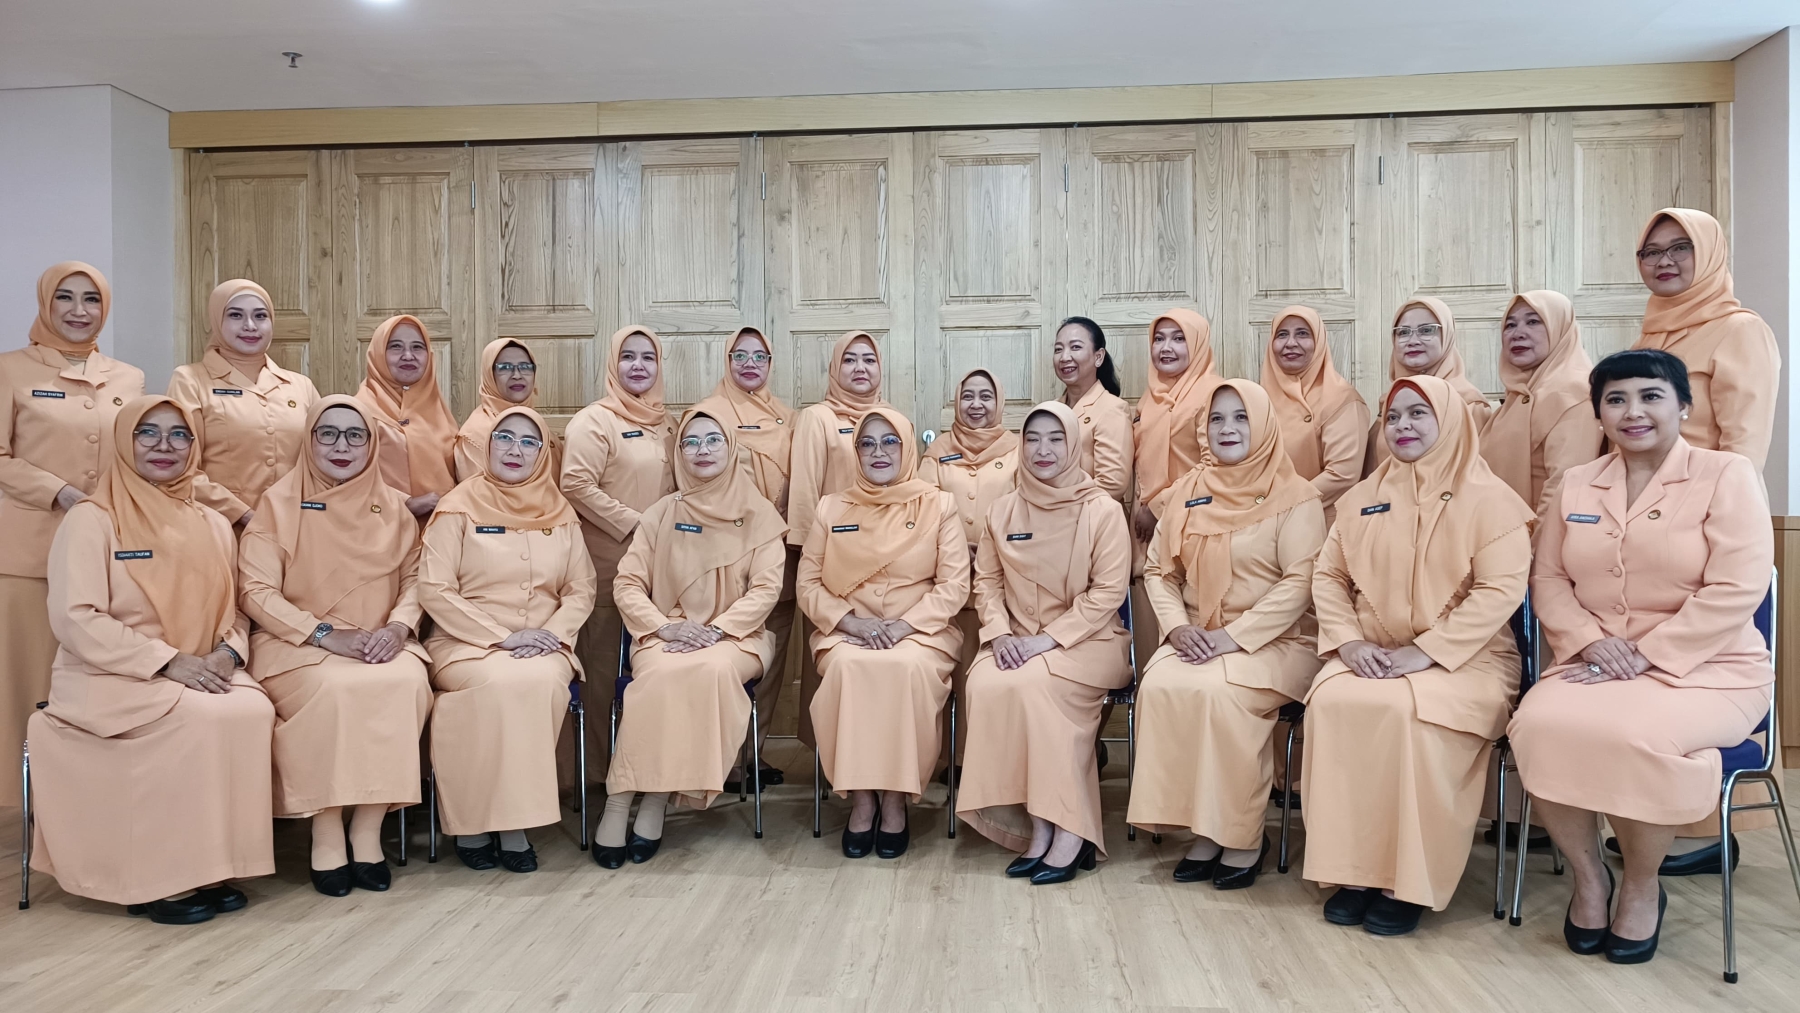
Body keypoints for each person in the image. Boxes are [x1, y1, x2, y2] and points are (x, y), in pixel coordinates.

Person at [1509, 349, 1773, 964]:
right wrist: (1588, 641)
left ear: (1684, 406)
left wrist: (1650, 654)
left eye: (1651, 396)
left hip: (1710, 670)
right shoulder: (1578, 482)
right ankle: (1590, 878)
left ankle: (1640, 883)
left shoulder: (1725, 474)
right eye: (1616, 399)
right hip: (1594, 662)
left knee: (1636, 738)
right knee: (1536, 726)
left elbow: (1738, 587)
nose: (1633, 411)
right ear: (1600, 413)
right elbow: (1548, 579)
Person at [27, 396, 272, 924]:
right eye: (148, 433)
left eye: (179, 434)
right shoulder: (92, 519)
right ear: (124, 442)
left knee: (252, 708)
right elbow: (76, 617)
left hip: (201, 668)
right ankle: (159, 879)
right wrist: (166, 661)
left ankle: (211, 866)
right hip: (111, 674)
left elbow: (236, 608)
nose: (165, 445)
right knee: (196, 718)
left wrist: (228, 652)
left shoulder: (212, 523)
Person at [1303, 375, 1533, 936]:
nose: (1402, 426)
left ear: (1449, 420)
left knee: (1407, 712)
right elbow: (1328, 575)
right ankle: (1352, 870)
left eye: (1418, 413)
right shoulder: (1362, 498)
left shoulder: (1492, 499)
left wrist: (1427, 652)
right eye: (1393, 416)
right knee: (1331, 701)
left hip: (1469, 659)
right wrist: (1348, 641)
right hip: (1370, 651)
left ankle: (1404, 881)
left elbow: (1499, 591)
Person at [1127, 381, 1326, 890]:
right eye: (1216, 419)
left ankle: (1241, 837)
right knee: (1162, 685)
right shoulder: (1188, 491)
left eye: (1241, 417)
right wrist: (1177, 627)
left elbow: (1300, 582)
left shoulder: (1297, 495)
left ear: (1263, 425)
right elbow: (1159, 570)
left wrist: (1233, 637)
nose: (1227, 428)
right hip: (1196, 635)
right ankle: (1202, 830)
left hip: (1277, 641)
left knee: (1220, 694)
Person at [238, 395, 431, 896]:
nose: (341, 446)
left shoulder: (393, 506)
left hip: (379, 641)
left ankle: (366, 831)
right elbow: (255, 591)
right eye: (328, 433)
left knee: (407, 682)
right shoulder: (278, 504)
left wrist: (398, 629)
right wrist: (324, 634)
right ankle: (325, 834)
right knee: (333, 690)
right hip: (297, 642)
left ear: (371, 444)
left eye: (355, 435)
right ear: (309, 439)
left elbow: (416, 579)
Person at [601, 410, 787, 868]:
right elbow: (627, 583)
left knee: (709, 669)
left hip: (736, 637)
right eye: (691, 442)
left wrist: (717, 630)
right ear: (680, 452)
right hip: (665, 632)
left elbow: (766, 590)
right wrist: (664, 627)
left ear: (731, 448)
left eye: (713, 440)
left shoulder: (760, 515)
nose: (702, 450)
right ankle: (619, 800)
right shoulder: (661, 513)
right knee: (660, 676)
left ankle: (654, 799)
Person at [956, 401, 1130, 884]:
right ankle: (1037, 827)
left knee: (1036, 688)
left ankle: (1070, 830)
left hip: (1090, 642)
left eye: (1056, 438)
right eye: (1032, 438)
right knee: (986, 685)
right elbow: (986, 582)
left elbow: (1108, 592)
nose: (1042, 449)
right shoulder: (1003, 509)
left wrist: (1047, 641)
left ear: (1073, 444)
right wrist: (999, 634)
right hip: (1014, 640)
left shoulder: (1102, 510)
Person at [419, 406, 597, 873]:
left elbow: (581, 588)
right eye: (504, 438)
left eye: (529, 441)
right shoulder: (456, 506)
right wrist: (501, 638)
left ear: (542, 453)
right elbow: (435, 589)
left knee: (536, 683)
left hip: (544, 644)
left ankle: (514, 823)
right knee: (495, 685)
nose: (515, 449)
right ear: (488, 446)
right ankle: (472, 823)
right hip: (466, 643)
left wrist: (551, 635)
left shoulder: (561, 512)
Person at [0, 262, 146, 808]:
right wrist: (58, 492)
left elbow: (137, 456)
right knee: (28, 683)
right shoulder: (9, 370)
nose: (79, 311)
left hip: (109, 552)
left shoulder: (128, 378)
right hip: (29, 554)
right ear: (46, 302)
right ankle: (25, 805)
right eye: (66, 297)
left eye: (92, 299)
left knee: (97, 680)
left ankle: (87, 801)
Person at [798, 407, 968, 860]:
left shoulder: (938, 504)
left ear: (907, 448)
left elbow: (954, 585)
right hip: (848, 630)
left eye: (890, 441)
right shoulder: (831, 507)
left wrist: (904, 626)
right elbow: (808, 584)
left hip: (921, 631)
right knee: (847, 668)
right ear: (855, 452)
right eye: (867, 443)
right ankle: (861, 799)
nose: (879, 452)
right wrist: (851, 622)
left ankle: (894, 799)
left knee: (906, 668)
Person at [692, 326, 797, 790]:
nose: (750, 364)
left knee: (768, 658)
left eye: (759, 356)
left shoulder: (788, 417)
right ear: (727, 360)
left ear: (770, 363)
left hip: (779, 549)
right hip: (725, 553)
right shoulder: (709, 413)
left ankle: (753, 751)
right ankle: (722, 761)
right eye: (740, 355)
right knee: (727, 652)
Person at [561, 326, 676, 732]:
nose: (638, 366)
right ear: (613, 363)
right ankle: (597, 766)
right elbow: (574, 484)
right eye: (628, 356)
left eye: (648, 357)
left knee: (653, 667)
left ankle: (644, 762)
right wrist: (637, 523)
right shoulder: (594, 420)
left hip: (661, 566)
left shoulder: (667, 423)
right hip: (610, 564)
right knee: (603, 666)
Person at [787, 330, 896, 749]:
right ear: (835, 368)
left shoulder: (892, 417)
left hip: (888, 560)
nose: (860, 368)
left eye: (869, 360)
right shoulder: (818, 418)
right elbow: (803, 492)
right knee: (832, 655)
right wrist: (807, 557)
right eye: (850, 360)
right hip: (831, 560)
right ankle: (830, 755)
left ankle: (879, 752)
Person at [920, 368, 1019, 773]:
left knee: (991, 672)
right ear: (956, 402)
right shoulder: (937, 451)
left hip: (1003, 579)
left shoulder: (1018, 449)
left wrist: (992, 548)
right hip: (947, 577)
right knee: (952, 672)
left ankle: (990, 764)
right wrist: (956, 547)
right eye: (968, 397)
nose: (976, 405)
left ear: (999, 403)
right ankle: (950, 761)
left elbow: (1028, 506)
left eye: (986, 396)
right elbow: (923, 507)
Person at [1630, 208, 1780, 470]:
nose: (1664, 261)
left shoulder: (1739, 330)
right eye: (1652, 252)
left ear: (1710, 254)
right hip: (1637, 489)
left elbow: (1744, 449)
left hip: (1704, 490)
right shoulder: (1649, 336)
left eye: (1680, 248)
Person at [167, 278, 321, 525]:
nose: (250, 326)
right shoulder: (190, 380)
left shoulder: (300, 386)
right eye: (235, 315)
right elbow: (181, 468)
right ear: (217, 320)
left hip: (295, 526)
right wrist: (243, 515)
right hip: (219, 527)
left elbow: (322, 462)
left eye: (260, 316)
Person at [1478, 291, 1602, 516]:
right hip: (1502, 529)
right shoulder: (1519, 396)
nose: (1518, 334)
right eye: (1510, 325)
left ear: (1560, 329)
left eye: (1533, 322)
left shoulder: (1574, 392)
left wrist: (1538, 538)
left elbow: (1563, 485)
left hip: (1539, 532)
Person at [1259, 306, 1367, 524]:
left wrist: (1281, 507)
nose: (1290, 343)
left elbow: (1342, 475)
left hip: (1318, 522)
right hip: (1261, 521)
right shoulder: (1257, 398)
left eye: (1302, 334)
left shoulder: (1342, 398)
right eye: (1282, 334)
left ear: (1319, 342)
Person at [1366, 297, 1492, 472]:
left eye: (1426, 330)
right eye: (1403, 332)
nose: (1413, 340)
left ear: (1447, 336)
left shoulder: (1468, 403)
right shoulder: (1391, 402)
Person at [356, 314, 459, 518]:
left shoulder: (438, 410)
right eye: (396, 346)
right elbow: (346, 477)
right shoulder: (358, 412)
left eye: (417, 347)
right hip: (381, 525)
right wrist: (405, 502)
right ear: (378, 353)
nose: (408, 355)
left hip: (441, 527)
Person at [1132, 309, 1220, 546]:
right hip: (1145, 526)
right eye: (1159, 339)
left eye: (1179, 338)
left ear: (1198, 343)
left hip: (1194, 517)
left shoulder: (1214, 394)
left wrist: (1158, 507)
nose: (1166, 348)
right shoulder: (1150, 398)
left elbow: (1214, 466)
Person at [1053, 317, 1133, 509]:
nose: (1064, 357)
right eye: (1058, 349)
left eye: (1075, 347)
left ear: (1098, 357)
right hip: (1049, 519)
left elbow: (1111, 485)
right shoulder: (1051, 409)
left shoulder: (1112, 408)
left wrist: (1056, 504)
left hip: (1095, 518)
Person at [457, 338, 557, 482]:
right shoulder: (475, 434)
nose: (517, 375)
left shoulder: (537, 425)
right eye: (505, 367)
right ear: (490, 375)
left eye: (525, 367)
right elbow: (478, 492)